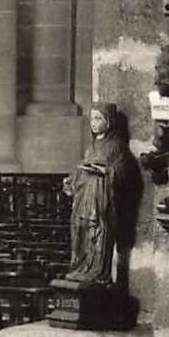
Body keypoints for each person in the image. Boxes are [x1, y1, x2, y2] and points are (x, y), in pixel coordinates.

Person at [63, 103, 138, 286]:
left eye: (98, 118)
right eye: (92, 118)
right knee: (82, 233)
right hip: (84, 198)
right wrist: (71, 180)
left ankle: (98, 272)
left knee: (98, 234)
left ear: (109, 121)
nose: (93, 123)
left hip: (101, 198)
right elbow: (82, 168)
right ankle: (81, 268)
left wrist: (105, 172)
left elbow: (123, 171)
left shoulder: (117, 145)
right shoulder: (92, 146)